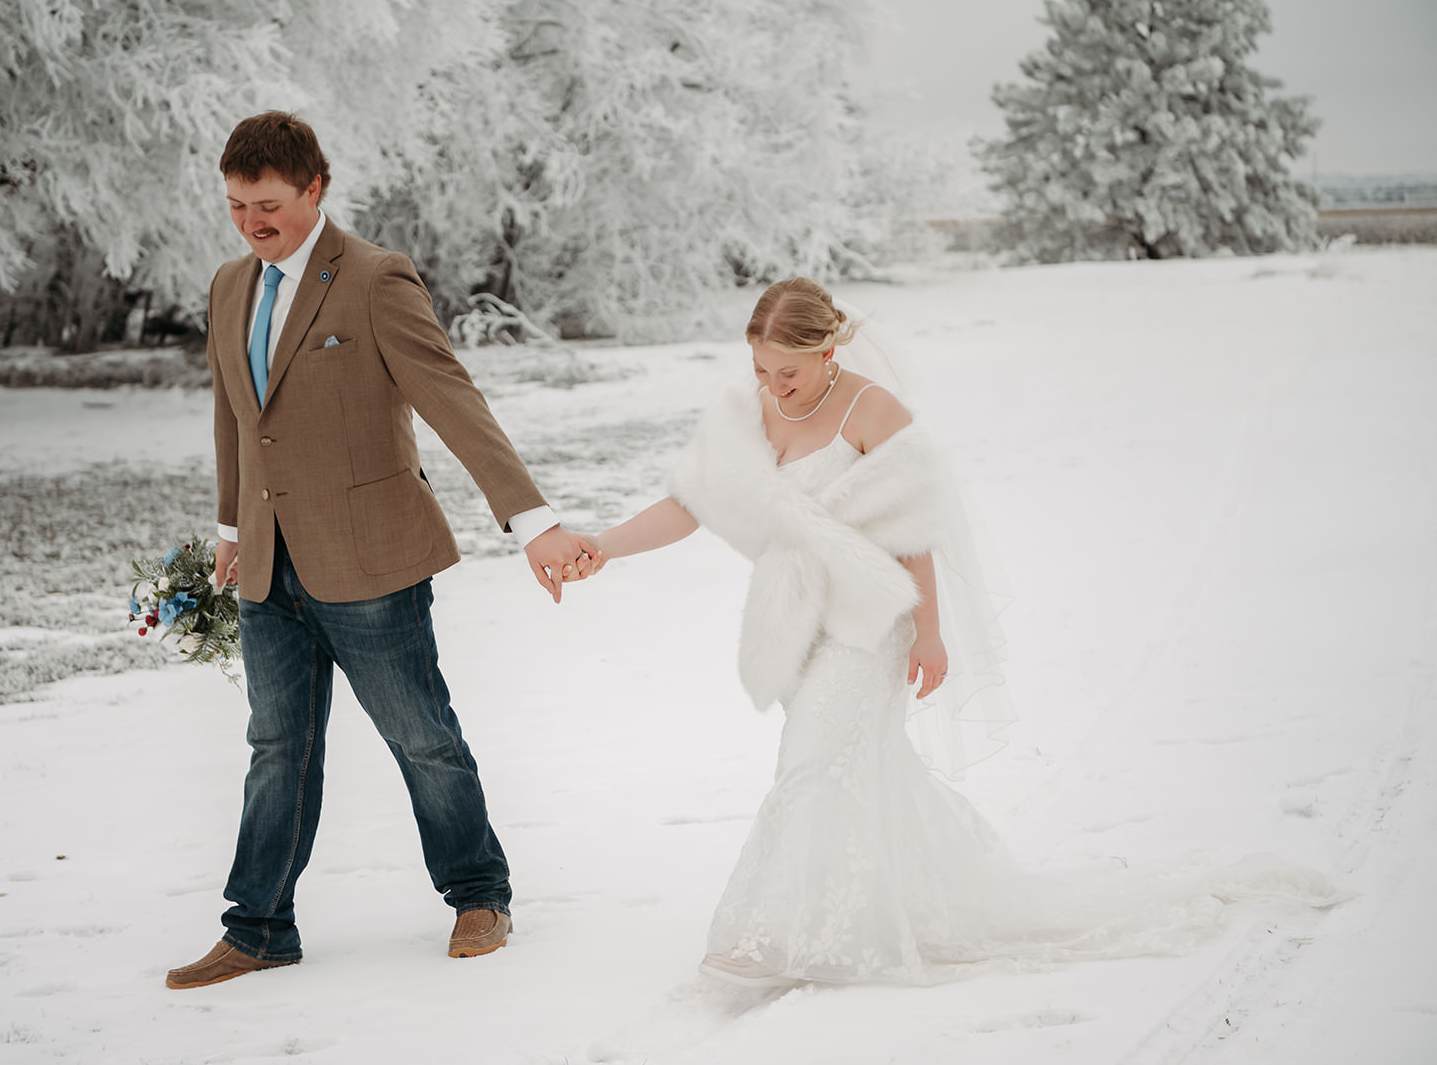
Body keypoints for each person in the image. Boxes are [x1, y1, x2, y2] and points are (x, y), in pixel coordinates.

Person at [570, 277, 1340, 988]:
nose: (773, 386)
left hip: (871, 623)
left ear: (828, 351)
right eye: (762, 368)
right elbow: (689, 502)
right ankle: (890, 906)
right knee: (853, 772)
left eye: (789, 372)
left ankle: (770, 936)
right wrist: (603, 543)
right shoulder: (749, 405)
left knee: (808, 766)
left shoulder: (874, 412)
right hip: (794, 622)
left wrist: (930, 631)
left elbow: (914, 531)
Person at [166, 111, 601, 990]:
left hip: (371, 561)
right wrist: (228, 529)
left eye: (270, 205)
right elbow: (234, 419)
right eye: (238, 205)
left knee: (422, 737)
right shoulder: (226, 286)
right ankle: (257, 927)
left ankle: (480, 892)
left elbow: (452, 399)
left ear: (315, 189)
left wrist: (533, 519)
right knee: (275, 747)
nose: (253, 223)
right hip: (267, 563)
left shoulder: (372, 279)